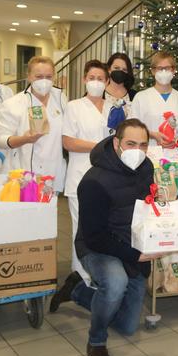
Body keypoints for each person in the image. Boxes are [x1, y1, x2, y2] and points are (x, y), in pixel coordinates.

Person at [50, 119, 160, 356]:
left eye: (143, 145)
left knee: (127, 325)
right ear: (116, 143)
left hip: (131, 243)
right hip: (97, 245)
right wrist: (135, 256)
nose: (137, 151)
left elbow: (147, 207)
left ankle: (76, 290)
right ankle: (96, 342)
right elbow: (94, 236)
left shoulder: (146, 168)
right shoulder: (94, 181)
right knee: (115, 284)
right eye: (131, 143)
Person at [59, 60, 112, 288]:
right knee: (80, 227)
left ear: (108, 82)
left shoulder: (115, 108)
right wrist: (99, 147)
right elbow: (68, 141)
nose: (96, 82)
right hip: (81, 175)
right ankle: (80, 277)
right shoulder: (74, 106)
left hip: (108, 178)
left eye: (101, 78)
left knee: (104, 227)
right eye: (92, 78)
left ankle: (101, 274)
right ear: (84, 80)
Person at [0, 56, 67, 192]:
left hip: (52, 172)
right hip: (22, 174)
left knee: (48, 212)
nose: (44, 81)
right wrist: (25, 139)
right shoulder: (14, 104)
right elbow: (1, 140)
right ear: (29, 77)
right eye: (39, 76)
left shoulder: (61, 98)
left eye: (48, 77)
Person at [129, 52, 178, 148]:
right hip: (148, 153)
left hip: (176, 155)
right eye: (159, 68)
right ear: (153, 71)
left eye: (167, 68)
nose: (163, 71)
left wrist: (176, 141)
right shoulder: (141, 97)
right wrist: (153, 135)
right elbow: (132, 128)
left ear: (173, 70)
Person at [104, 53, 136, 134]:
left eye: (124, 69)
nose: (120, 72)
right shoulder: (98, 94)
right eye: (116, 68)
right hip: (102, 142)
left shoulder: (134, 95)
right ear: (109, 69)